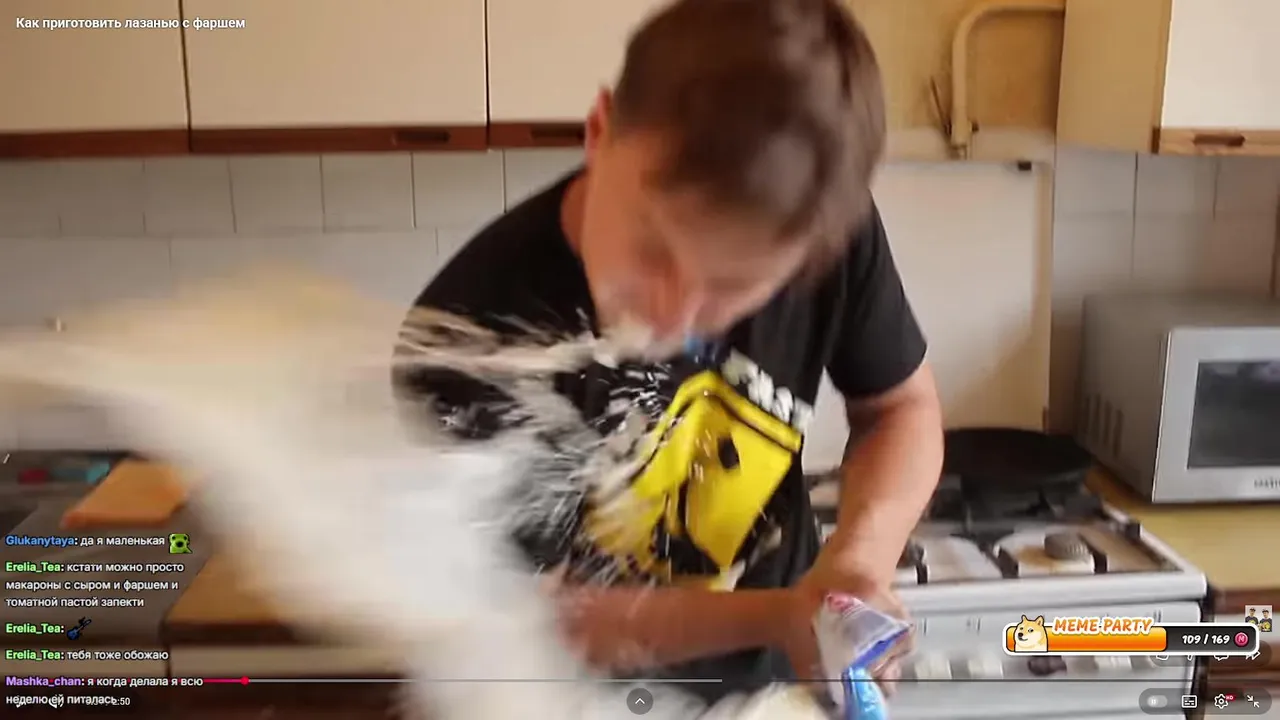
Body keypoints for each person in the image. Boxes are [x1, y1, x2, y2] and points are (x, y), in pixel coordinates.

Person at [394, 0, 943, 705]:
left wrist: (857, 565)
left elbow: (900, 408)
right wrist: (786, 617)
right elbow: (552, 624)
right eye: (653, 248)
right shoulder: (473, 342)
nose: (675, 317)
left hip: (777, 696)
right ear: (599, 133)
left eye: (732, 287)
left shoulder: (825, 231)